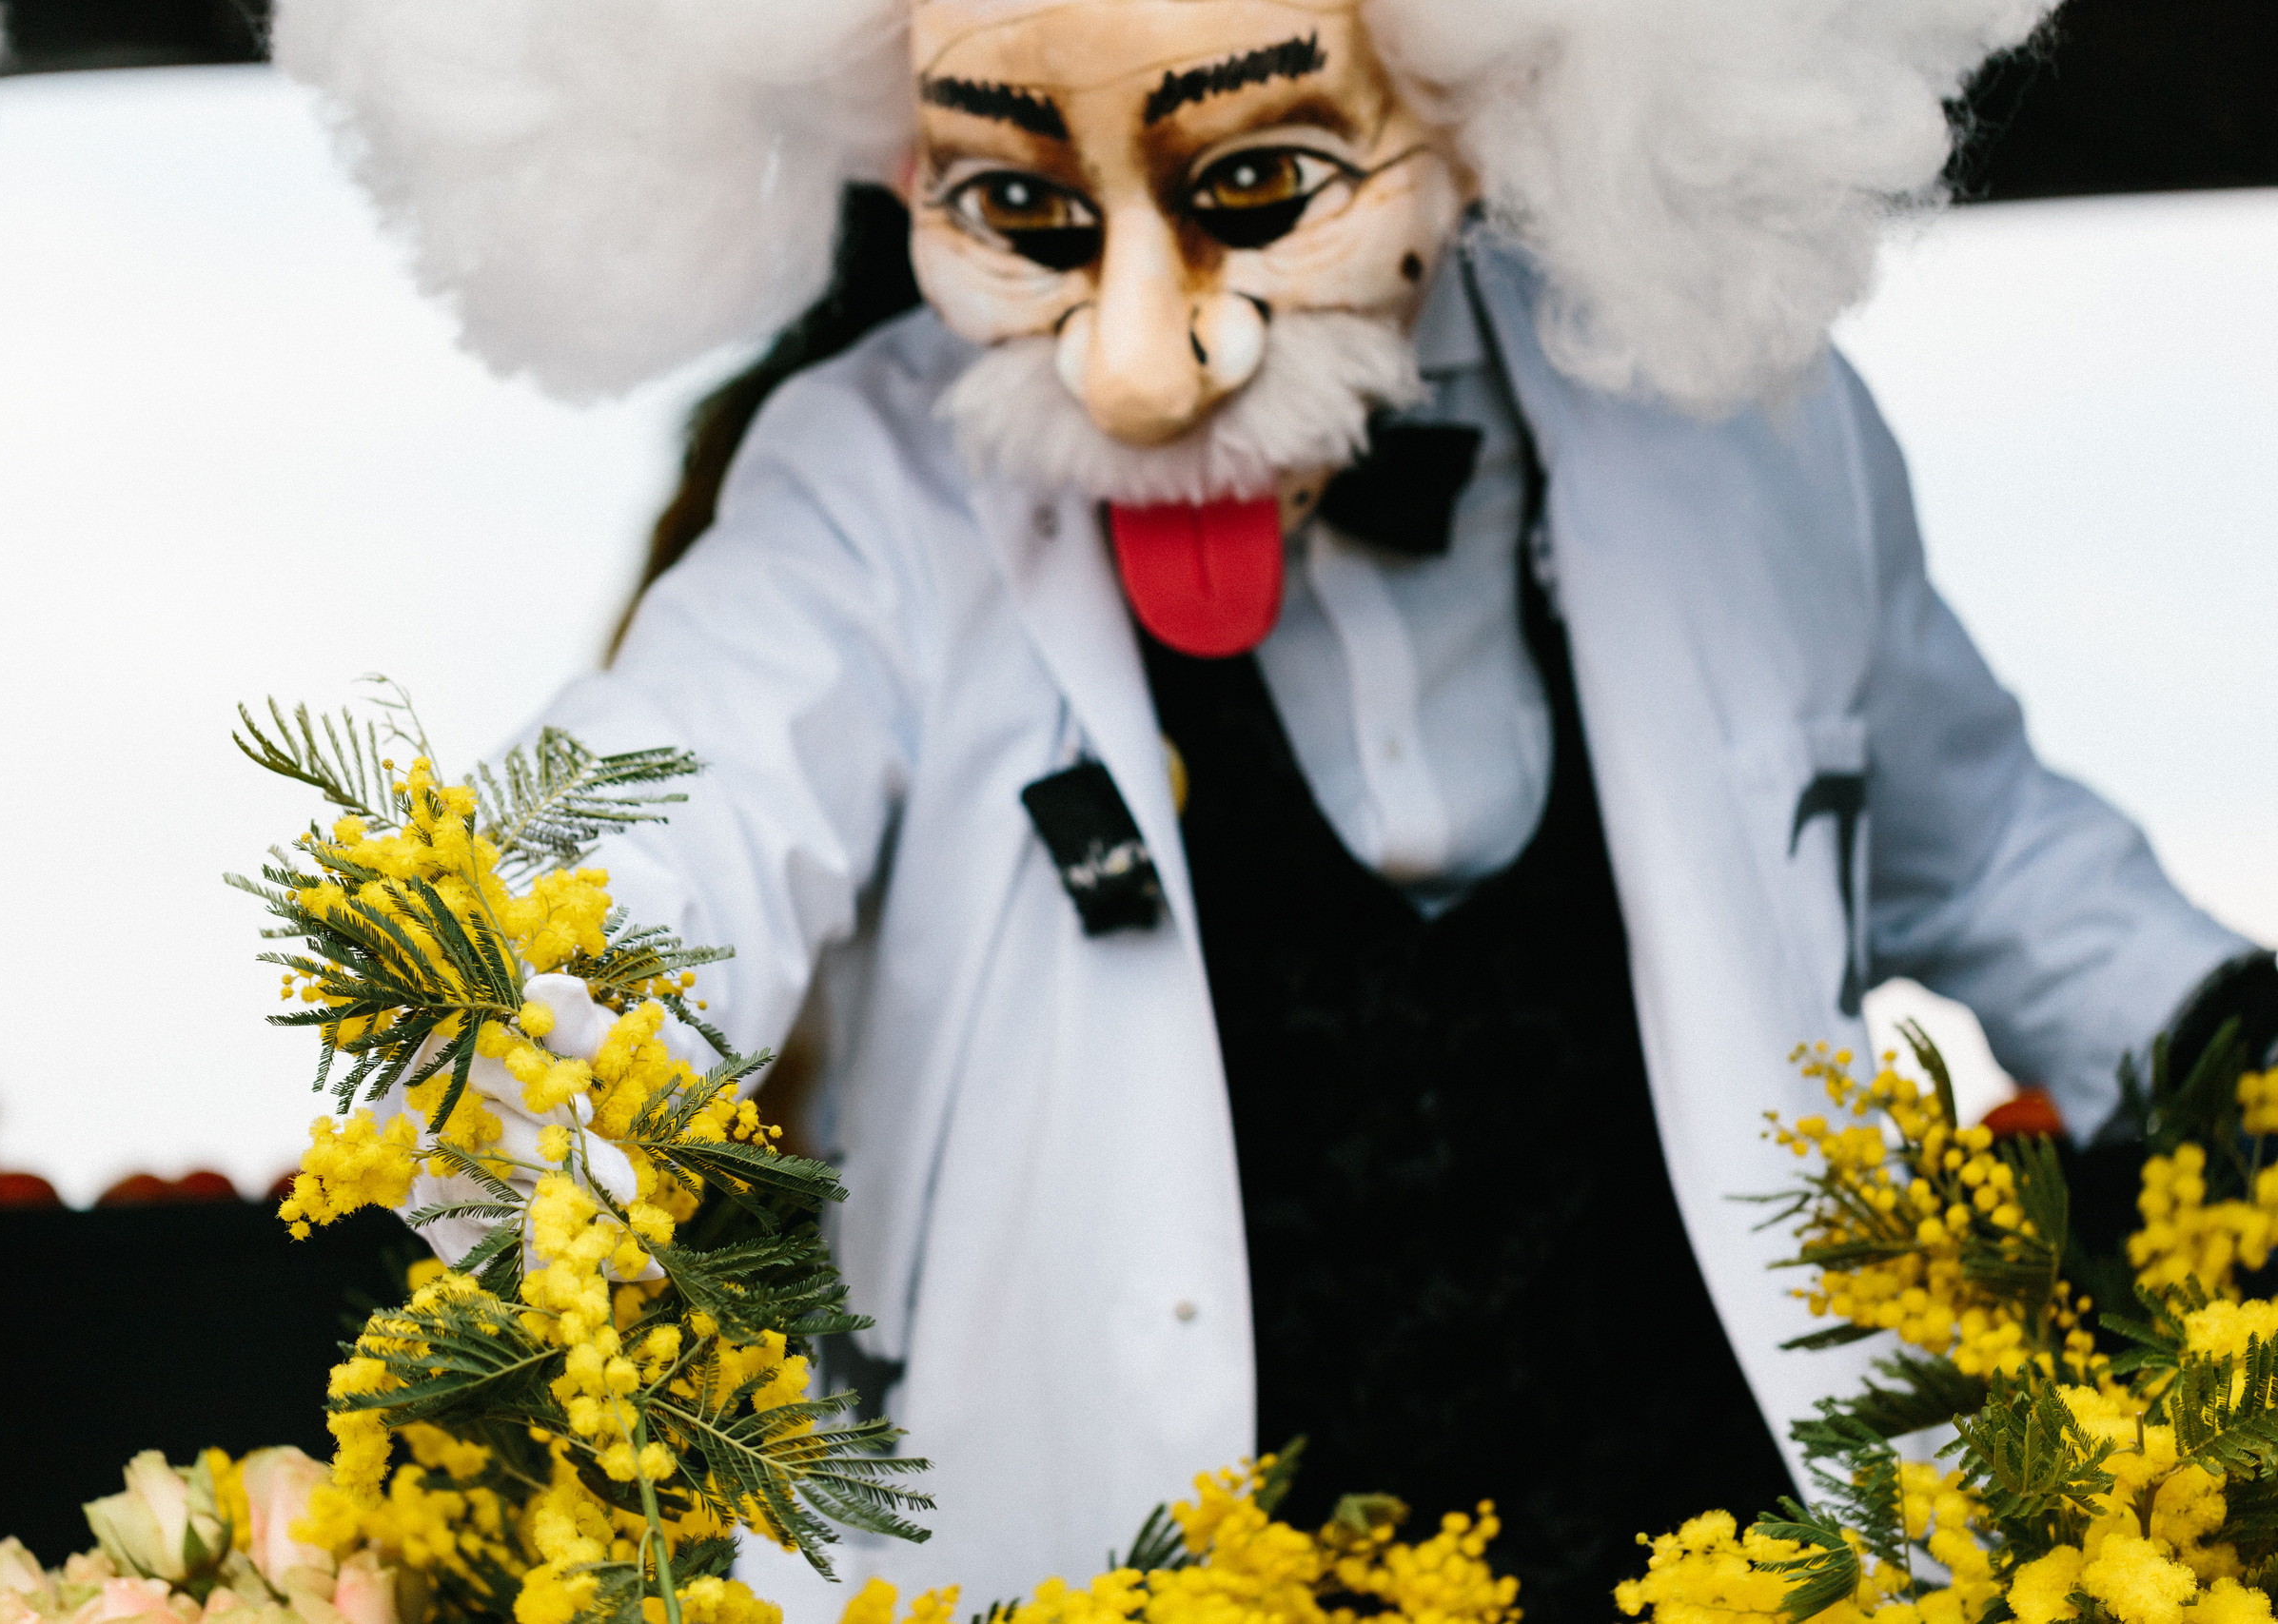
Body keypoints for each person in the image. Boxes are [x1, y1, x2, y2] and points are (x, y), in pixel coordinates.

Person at [273, 0, 2274, 1614]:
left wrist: (2236, 1079)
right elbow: (685, 786)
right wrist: (521, 1003)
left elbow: (1991, 849)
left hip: (1722, 1543)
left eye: (1251, 181)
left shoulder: (1753, 432)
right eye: (1020, 214)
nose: (1141, 365)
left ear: (1480, 97)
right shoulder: (868, 492)